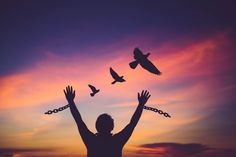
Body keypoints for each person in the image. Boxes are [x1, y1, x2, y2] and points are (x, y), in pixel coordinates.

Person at [64, 86, 151, 157]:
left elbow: (79, 121)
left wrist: (71, 102)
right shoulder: (117, 141)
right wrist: (140, 105)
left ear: (97, 126)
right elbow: (132, 124)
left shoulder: (91, 140)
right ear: (112, 127)